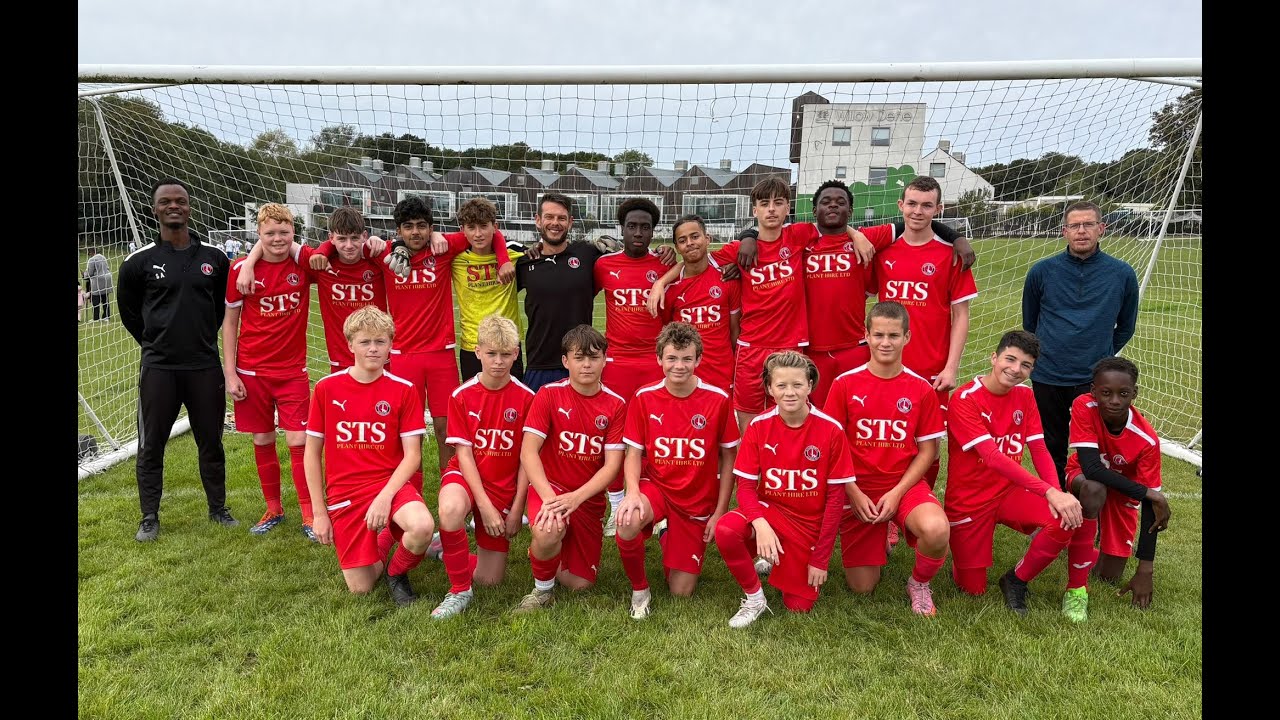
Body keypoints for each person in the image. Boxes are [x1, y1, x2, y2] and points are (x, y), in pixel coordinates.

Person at [648, 177, 874, 433]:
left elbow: (834, 226)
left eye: (778, 203)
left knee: (791, 416)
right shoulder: (736, 249)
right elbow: (694, 261)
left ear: (788, 207)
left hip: (791, 346)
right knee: (749, 422)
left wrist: (856, 234)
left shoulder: (799, 235)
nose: (771, 209)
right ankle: (752, 472)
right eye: (764, 204)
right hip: (751, 347)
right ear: (754, 210)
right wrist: (660, 284)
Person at [116, 178, 237, 542]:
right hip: (159, 369)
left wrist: (198, 340)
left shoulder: (214, 258)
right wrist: (155, 343)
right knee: (151, 444)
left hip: (204, 366)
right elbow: (129, 313)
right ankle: (149, 517)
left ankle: (218, 508)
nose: (174, 206)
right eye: (166, 201)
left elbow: (219, 310)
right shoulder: (139, 262)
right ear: (154, 209)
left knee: (211, 442)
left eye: (180, 201)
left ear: (189, 206)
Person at [944, 330, 1088, 616]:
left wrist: (1056, 493)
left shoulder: (1025, 395)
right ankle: (961, 553)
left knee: (1063, 520)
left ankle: (1016, 579)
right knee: (972, 589)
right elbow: (993, 457)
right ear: (994, 357)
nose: (1015, 369)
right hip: (968, 500)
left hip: (1008, 492)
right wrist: (1048, 491)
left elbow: (1040, 450)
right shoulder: (964, 399)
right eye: (1010, 359)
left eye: (1026, 365)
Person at [822, 302, 950, 615]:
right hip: (858, 488)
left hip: (902, 486)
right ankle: (875, 537)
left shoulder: (920, 388)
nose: (885, 342)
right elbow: (830, 447)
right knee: (863, 588)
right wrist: (852, 491)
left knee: (937, 530)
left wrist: (896, 493)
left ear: (907, 337)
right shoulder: (844, 384)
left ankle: (919, 582)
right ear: (866, 335)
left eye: (894, 335)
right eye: (878, 334)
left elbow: (929, 451)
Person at [303, 306, 436, 606]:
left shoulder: (403, 390)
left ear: (391, 344)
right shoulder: (326, 388)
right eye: (365, 342)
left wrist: (385, 497)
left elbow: (412, 456)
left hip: (391, 483)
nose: (373, 349)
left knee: (422, 526)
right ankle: (388, 535)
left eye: (381, 341)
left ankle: (397, 571)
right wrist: (319, 514)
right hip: (345, 491)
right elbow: (311, 454)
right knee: (360, 587)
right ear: (350, 344)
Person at [713, 351, 856, 627]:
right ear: (769, 388)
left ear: (810, 386)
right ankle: (755, 598)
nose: (789, 393)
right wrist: (761, 523)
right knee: (727, 530)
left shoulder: (831, 430)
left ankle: (778, 559)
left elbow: (835, 502)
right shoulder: (758, 425)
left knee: (798, 607)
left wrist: (820, 559)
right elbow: (744, 487)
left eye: (797, 385)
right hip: (771, 512)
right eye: (781, 386)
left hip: (807, 525)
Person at [614, 322, 739, 619]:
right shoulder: (644, 397)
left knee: (681, 591)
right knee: (628, 519)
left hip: (696, 500)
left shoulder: (718, 399)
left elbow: (729, 458)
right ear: (659, 359)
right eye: (671, 358)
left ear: (698, 360)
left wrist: (720, 510)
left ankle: (667, 531)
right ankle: (640, 590)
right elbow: (633, 452)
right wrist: (631, 493)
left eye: (686, 358)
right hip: (656, 488)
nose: (679, 366)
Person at [1022, 201, 1140, 488]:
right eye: (1075, 226)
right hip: (1048, 374)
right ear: (1064, 232)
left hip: (1093, 378)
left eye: (1088, 224)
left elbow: (1126, 326)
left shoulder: (1122, 274)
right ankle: (1055, 506)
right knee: (1052, 445)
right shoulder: (1042, 271)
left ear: (1102, 228)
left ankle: (1091, 510)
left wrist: (1100, 356)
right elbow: (1030, 323)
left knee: (1096, 450)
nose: (1082, 231)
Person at [512, 325, 627, 613]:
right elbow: (528, 452)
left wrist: (576, 499)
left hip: (586, 499)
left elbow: (612, 467)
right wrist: (550, 498)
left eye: (593, 357)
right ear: (566, 361)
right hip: (551, 488)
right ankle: (542, 591)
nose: (586, 364)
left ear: (604, 360)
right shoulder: (549, 395)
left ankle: (545, 552)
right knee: (550, 528)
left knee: (581, 584)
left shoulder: (616, 405)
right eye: (579, 358)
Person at [431, 314, 537, 619]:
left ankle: (442, 549)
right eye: (491, 354)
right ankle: (459, 590)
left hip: (503, 487)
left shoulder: (527, 399)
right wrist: (485, 507)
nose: (498, 362)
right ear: (477, 352)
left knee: (491, 580)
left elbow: (526, 460)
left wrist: (516, 509)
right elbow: (464, 455)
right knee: (450, 508)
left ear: (517, 353)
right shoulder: (461, 395)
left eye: (506, 354)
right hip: (466, 478)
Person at [223, 203, 317, 540]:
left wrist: (258, 254)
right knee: (262, 438)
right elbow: (230, 323)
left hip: (292, 371)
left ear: (293, 232)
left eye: (283, 232)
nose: (277, 238)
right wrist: (230, 374)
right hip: (251, 371)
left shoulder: (302, 264)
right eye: (269, 233)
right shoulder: (239, 272)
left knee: (298, 439)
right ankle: (274, 508)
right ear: (258, 235)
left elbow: (325, 256)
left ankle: (309, 513)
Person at [592, 197, 677, 535]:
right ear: (622, 229)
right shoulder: (604, 265)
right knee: (615, 438)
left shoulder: (665, 265)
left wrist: (669, 269)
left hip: (655, 364)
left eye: (645, 227)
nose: (638, 232)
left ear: (654, 231)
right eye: (632, 226)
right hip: (617, 364)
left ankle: (657, 504)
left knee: (657, 436)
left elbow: (691, 266)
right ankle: (616, 508)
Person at [1063, 356, 1170, 617]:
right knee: (1094, 488)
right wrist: (1148, 493)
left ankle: (1071, 543)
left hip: (1124, 491)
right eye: (1106, 393)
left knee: (1109, 575)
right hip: (1084, 477)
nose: (1114, 401)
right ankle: (1068, 546)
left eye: (1123, 394)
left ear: (1134, 393)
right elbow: (1092, 468)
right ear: (1093, 391)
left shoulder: (1146, 441)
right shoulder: (1083, 405)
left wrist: (1145, 569)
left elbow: (1151, 508)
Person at [236, 207, 389, 372]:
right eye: (342, 239)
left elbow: (404, 245)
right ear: (331, 238)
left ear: (364, 236)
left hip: (379, 357)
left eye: (354, 238)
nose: (349, 245)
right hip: (340, 360)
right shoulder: (319, 263)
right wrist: (249, 263)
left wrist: (377, 240)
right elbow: (275, 237)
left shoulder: (377, 258)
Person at [514, 192, 635, 393]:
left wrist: (663, 250)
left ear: (570, 222)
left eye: (561, 218)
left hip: (582, 362)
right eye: (549, 217)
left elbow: (631, 257)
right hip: (539, 364)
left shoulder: (589, 254)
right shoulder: (525, 262)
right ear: (538, 220)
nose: (555, 223)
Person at [656, 214, 741, 393]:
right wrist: (660, 282)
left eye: (695, 236)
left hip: (722, 373)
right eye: (682, 240)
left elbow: (734, 331)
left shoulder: (726, 277)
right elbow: (668, 333)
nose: (690, 243)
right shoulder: (671, 289)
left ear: (707, 239)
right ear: (677, 248)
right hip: (685, 373)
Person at [449, 198, 524, 381]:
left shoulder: (515, 254)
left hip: (508, 344)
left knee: (512, 405)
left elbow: (542, 253)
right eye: (471, 227)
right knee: (475, 405)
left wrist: (504, 260)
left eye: (483, 226)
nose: (478, 234)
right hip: (473, 345)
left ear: (495, 226)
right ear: (462, 230)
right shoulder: (454, 259)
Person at [85, 246, 114, 322]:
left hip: (98, 280)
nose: (89, 255)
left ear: (91, 252)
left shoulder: (92, 260)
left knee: (95, 300)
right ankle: (106, 317)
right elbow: (107, 268)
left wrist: (85, 275)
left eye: (89, 253)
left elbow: (90, 273)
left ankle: (96, 318)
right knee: (105, 299)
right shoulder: (103, 257)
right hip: (107, 279)